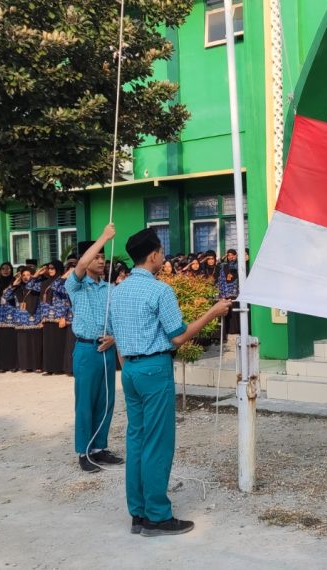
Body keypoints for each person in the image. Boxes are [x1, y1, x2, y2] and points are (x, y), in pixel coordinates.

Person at [110, 228, 231, 537]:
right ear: (153, 255)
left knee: (136, 440)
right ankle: (157, 516)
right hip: (153, 368)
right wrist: (213, 313)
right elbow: (177, 336)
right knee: (158, 443)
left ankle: (138, 513)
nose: (163, 257)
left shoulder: (118, 290)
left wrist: (129, 367)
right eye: (161, 252)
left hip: (131, 370)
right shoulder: (160, 291)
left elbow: (118, 338)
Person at [66, 224, 122, 473]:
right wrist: (104, 237)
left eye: (103, 257)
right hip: (86, 350)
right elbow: (80, 266)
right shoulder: (76, 286)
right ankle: (83, 451)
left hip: (106, 350)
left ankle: (100, 447)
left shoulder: (110, 289)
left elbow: (119, 320)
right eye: (96, 256)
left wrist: (114, 338)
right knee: (86, 402)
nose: (101, 260)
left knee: (106, 400)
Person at [7, 266, 43, 372]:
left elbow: (30, 287)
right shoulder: (18, 288)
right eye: (23, 275)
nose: (26, 277)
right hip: (20, 319)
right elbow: (5, 295)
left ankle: (37, 365)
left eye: (28, 275)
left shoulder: (37, 285)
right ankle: (25, 366)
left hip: (34, 318)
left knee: (35, 344)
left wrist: (34, 278)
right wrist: (14, 284)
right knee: (23, 345)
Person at [38, 261, 69, 376]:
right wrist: (37, 275)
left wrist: (63, 317)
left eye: (53, 268)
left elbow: (65, 301)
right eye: (49, 268)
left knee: (58, 342)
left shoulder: (64, 282)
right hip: (46, 317)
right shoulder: (45, 283)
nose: (50, 270)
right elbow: (41, 301)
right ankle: (49, 368)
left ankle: (58, 368)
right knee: (48, 344)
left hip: (58, 316)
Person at [0, 263, 19, 373]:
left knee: (12, 341)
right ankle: (2, 365)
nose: (5, 270)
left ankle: (13, 365)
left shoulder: (15, 281)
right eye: (2, 268)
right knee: (1, 342)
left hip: (12, 314)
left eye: (8, 268)